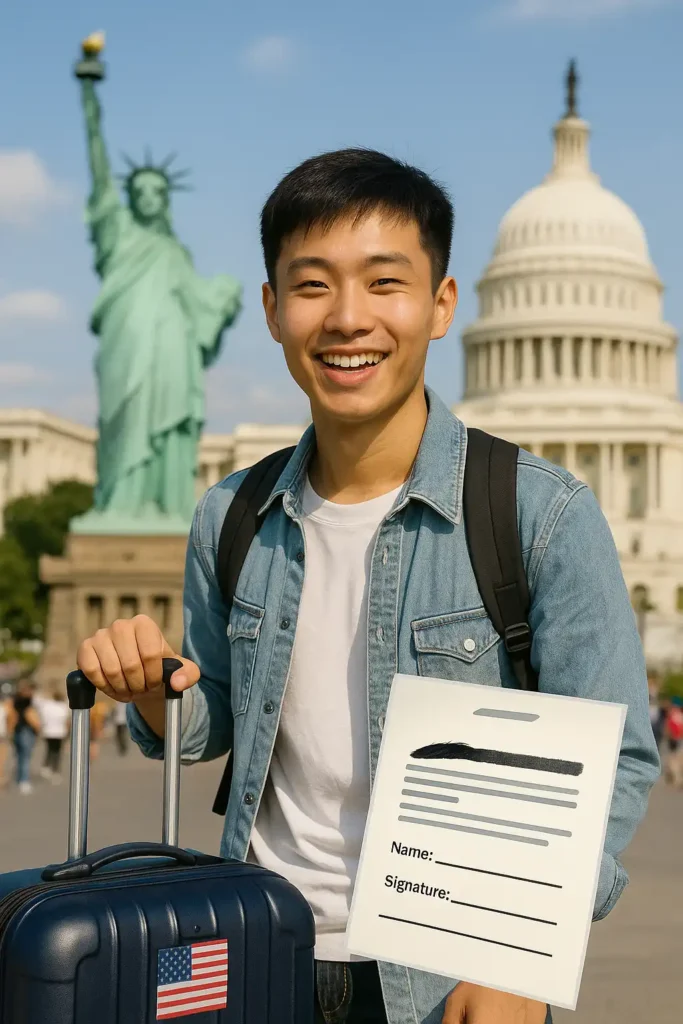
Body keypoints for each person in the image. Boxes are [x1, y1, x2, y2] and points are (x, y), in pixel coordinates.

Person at [77, 149, 660, 1024]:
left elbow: (617, 756)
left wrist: (520, 955)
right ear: (271, 311)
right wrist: (154, 688)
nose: (348, 319)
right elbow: (213, 724)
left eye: (384, 283)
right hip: (259, 953)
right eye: (312, 286)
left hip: (449, 974)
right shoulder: (231, 515)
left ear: (441, 305)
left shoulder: (537, 515)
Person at [7, 681, 41, 794]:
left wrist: (10, 730)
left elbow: (12, 715)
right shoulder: (27, 702)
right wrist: (37, 728)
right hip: (26, 730)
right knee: (25, 757)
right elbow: (30, 715)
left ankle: (19, 778)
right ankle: (24, 780)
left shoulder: (15, 701)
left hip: (18, 730)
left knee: (19, 756)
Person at [37, 690, 70, 783]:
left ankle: (46, 766)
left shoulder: (48, 706)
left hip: (48, 731)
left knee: (49, 749)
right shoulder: (63, 707)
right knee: (57, 752)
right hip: (59, 732)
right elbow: (67, 721)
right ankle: (55, 770)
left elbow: (42, 717)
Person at [663, 697, 683, 788]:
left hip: (675, 739)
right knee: (676, 760)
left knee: (674, 760)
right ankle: (675, 778)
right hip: (677, 739)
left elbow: (668, 729)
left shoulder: (673, 715)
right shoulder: (679, 715)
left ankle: (676, 779)